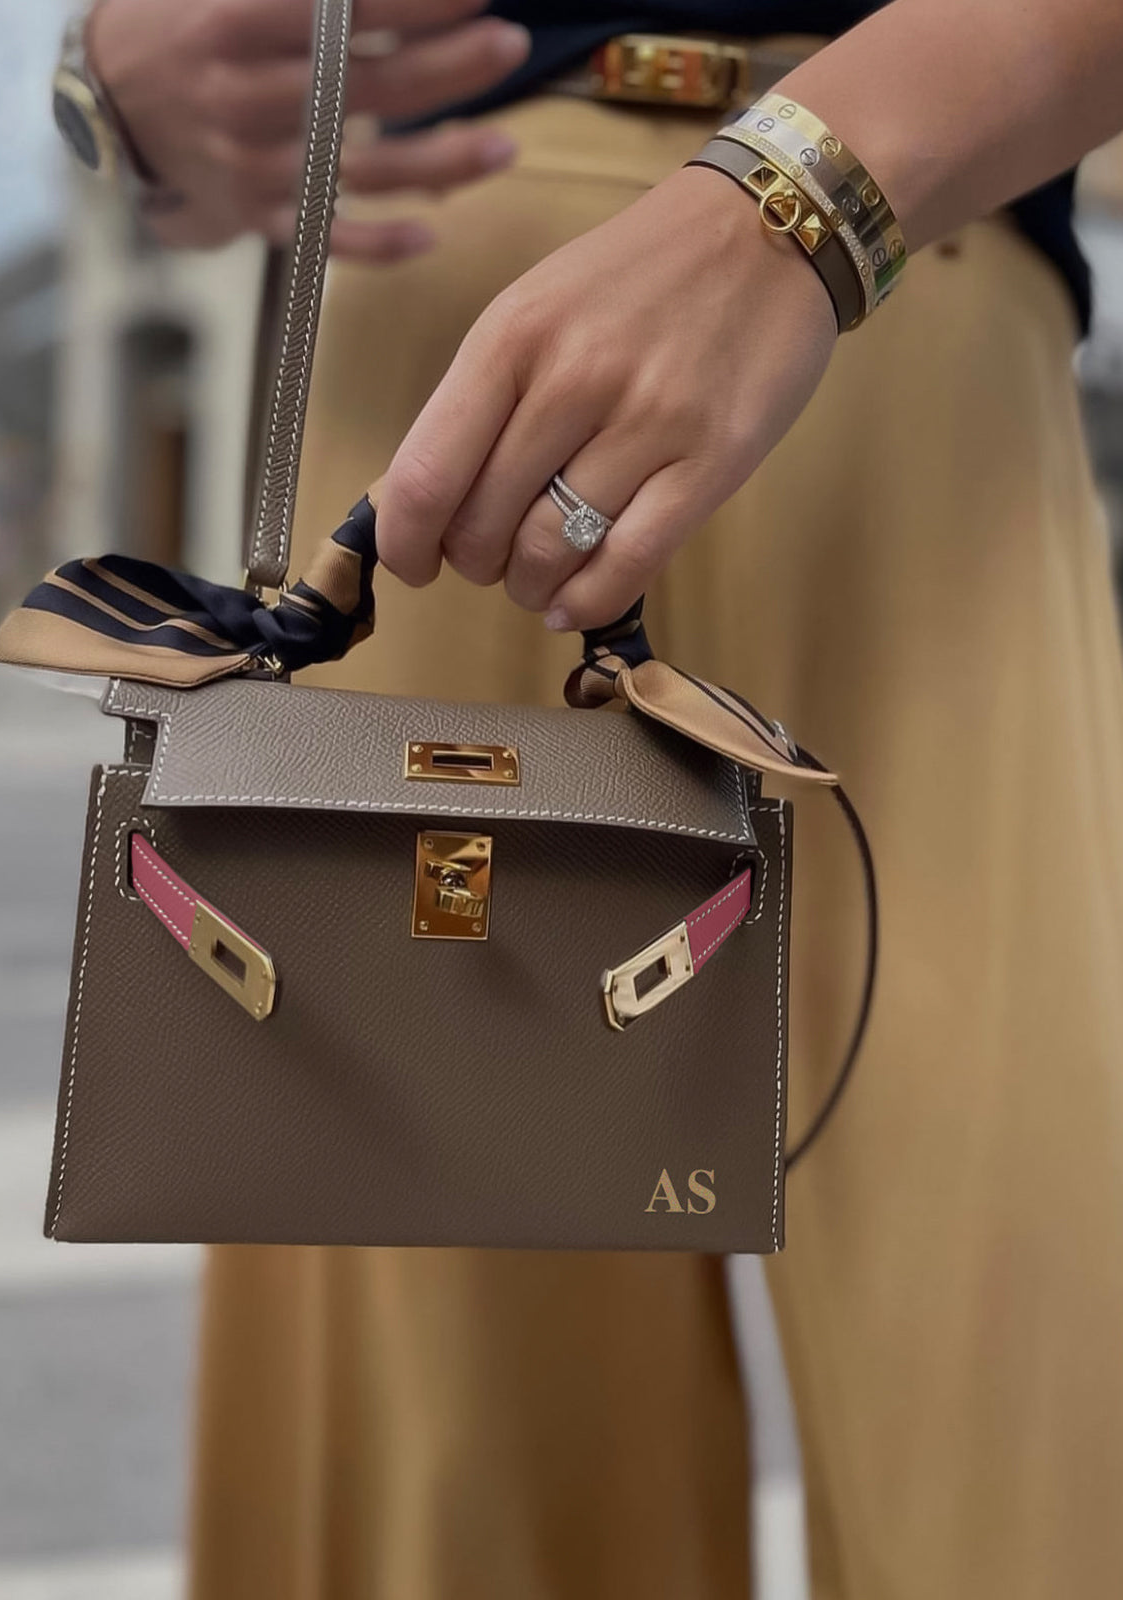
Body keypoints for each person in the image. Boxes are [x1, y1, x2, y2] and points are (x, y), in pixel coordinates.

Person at [84, 1, 1123, 1595]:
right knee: (458, 1476)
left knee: (1029, 1408)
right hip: (442, 361)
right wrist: (107, 75)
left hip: (924, 243)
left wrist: (799, 196)